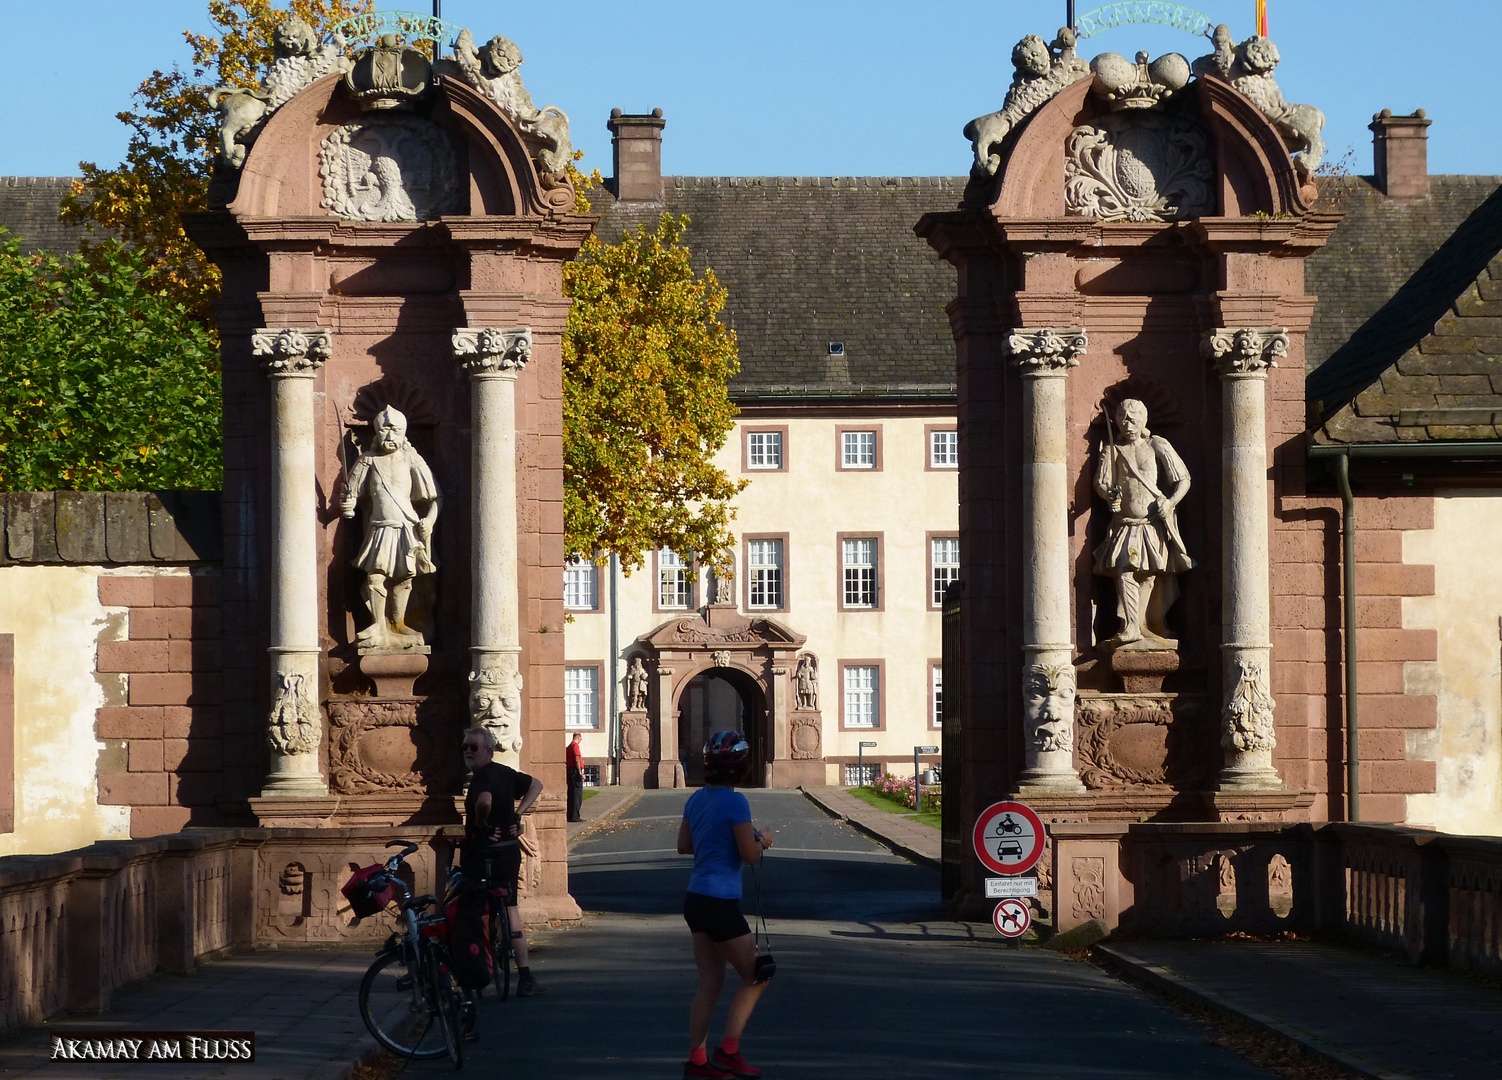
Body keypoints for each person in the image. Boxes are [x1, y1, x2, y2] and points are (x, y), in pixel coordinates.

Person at [675, 731, 774, 1079]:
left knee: (709, 984)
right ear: (740, 768)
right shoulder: (736, 803)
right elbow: (749, 854)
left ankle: (697, 1061)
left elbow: (683, 845)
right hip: (720, 902)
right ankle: (729, 1052)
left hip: (696, 899)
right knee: (758, 975)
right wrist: (763, 840)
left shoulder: (695, 800)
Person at [1092, 398, 1193, 646]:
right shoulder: (1112, 450)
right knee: (1124, 568)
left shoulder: (1157, 444)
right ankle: (1130, 626)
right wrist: (1109, 496)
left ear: (1143, 419)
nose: (1127, 422)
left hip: (1152, 522)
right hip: (1125, 523)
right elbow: (1101, 483)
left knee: (1147, 573)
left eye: (1132, 416)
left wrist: (1169, 503)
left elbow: (1183, 479)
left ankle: (1142, 624)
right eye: (1122, 417)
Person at [340, 405, 441, 648]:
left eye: (394, 430)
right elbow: (351, 494)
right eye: (384, 431)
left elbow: (434, 499)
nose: (389, 436)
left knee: (404, 577)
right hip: (379, 526)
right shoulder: (368, 461)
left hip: (406, 526)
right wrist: (347, 504)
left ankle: (398, 622)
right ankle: (378, 624)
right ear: (376, 432)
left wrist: (429, 520)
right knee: (375, 576)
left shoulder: (412, 459)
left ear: (403, 433)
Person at [460, 726, 546, 996]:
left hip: (481, 853)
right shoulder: (505, 773)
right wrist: (517, 814)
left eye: (473, 747)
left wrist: (482, 822)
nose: (468, 752)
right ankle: (525, 976)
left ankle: (473, 968)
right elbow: (536, 785)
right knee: (511, 909)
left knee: (472, 910)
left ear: (488, 749)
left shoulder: (482, 777)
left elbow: (484, 801)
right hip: (509, 853)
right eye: (464, 747)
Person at [565, 733, 585, 823]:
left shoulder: (569, 746)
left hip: (570, 771)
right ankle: (575, 816)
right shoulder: (575, 746)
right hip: (575, 771)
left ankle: (570, 815)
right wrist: (580, 772)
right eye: (581, 739)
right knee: (577, 795)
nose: (581, 740)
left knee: (571, 794)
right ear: (578, 738)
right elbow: (577, 758)